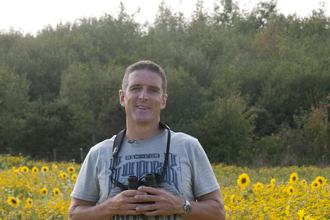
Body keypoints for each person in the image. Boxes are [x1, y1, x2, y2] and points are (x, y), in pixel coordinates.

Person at [68, 60, 226, 220]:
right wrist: (111, 206)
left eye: (153, 90)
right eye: (136, 88)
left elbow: (218, 213)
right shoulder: (99, 153)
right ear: (122, 97)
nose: (143, 97)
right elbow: (74, 215)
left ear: (163, 100)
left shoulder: (188, 146)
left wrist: (179, 205)